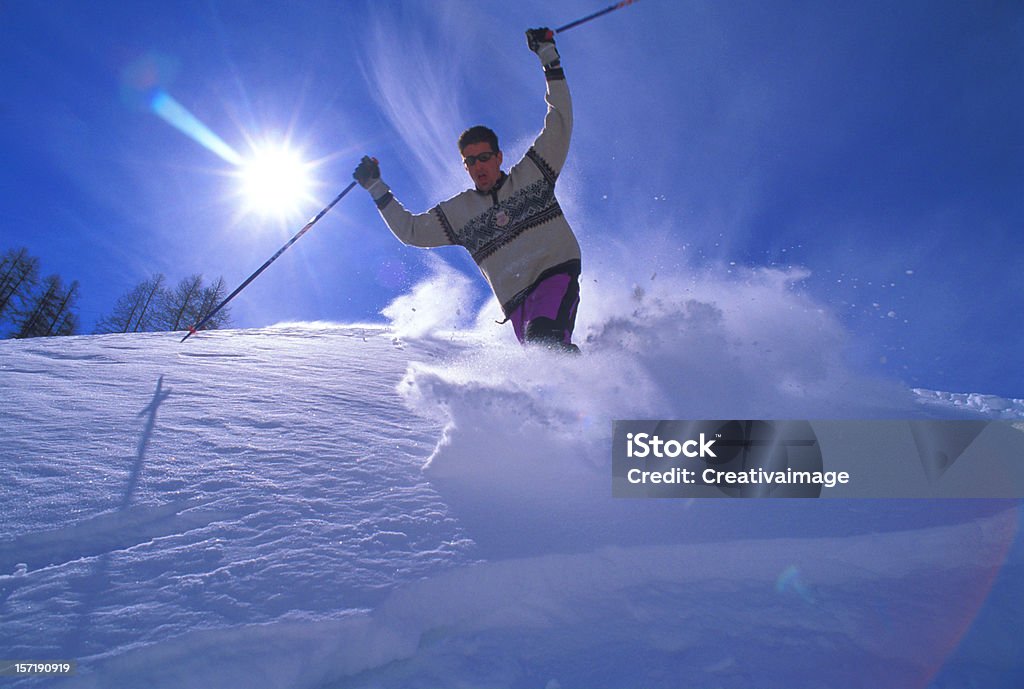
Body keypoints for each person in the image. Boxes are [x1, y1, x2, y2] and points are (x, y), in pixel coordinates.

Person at [354, 28, 582, 352]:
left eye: (485, 158)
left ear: (499, 157)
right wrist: (376, 187)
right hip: (517, 305)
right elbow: (412, 231)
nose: (479, 166)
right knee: (541, 356)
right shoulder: (460, 214)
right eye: (470, 161)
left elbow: (559, 121)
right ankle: (587, 390)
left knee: (546, 340)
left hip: (554, 273)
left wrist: (548, 56)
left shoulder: (533, 175)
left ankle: (602, 388)